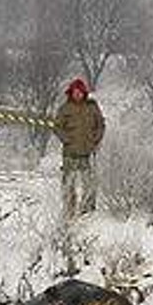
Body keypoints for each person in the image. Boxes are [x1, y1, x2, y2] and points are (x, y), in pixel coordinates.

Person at [54, 77, 106, 218]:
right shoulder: (65, 108)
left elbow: (100, 124)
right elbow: (57, 127)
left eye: (80, 92)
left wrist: (96, 140)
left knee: (89, 183)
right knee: (68, 184)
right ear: (71, 93)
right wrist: (66, 140)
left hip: (88, 153)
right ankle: (69, 210)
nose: (78, 94)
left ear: (84, 93)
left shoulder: (92, 107)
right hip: (70, 152)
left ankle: (88, 211)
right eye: (75, 92)